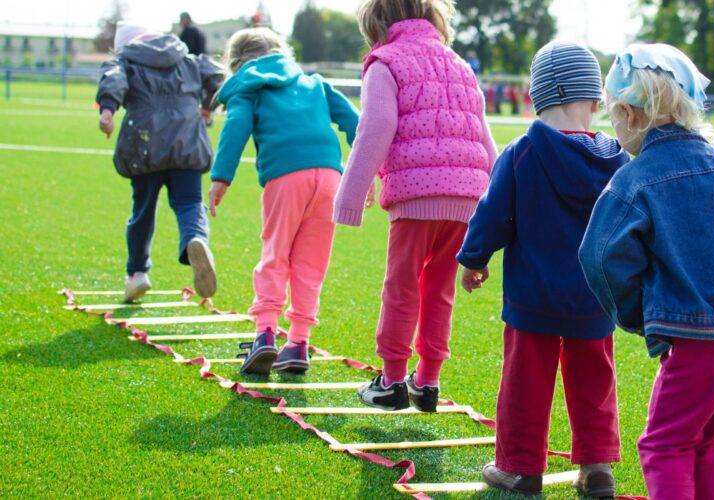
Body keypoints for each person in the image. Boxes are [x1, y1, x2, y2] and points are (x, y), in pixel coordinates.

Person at [579, 43, 714, 500]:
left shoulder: (634, 180)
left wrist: (642, 319)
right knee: (708, 434)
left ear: (629, 113)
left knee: (665, 444)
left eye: (613, 117)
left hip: (705, 346)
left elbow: (598, 257)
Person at [457, 41, 629, 497]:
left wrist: (474, 259)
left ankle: (520, 467)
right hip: (596, 297)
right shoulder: (619, 159)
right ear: (595, 101)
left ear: (534, 97)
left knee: (525, 383)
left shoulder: (521, 153)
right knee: (595, 381)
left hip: (532, 297)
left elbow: (492, 214)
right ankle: (597, 468)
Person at [334, 0, 498, 412]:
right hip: (467, 197)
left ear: (377, 26)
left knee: (401, 286)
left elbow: (376, 126)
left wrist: (350, 196)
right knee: (439, 290)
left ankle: (391, 381)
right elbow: (483, 135)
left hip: (415, 195)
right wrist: (496, 205)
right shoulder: (460, 65)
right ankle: (427, 381)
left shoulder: (384, 62)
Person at [208, 27, 359, 375]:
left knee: (275, 253)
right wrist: (366, 172)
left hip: (286, 176)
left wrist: (221, 178)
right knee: (311, 263)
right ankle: (298, 343)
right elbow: (356, 123)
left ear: (236, 63)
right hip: (330, 178)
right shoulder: (315, 83)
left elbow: (236, 127)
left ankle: (265, 335)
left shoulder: (249, 87)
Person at [96, 22, 224, 302]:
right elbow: (216, 76)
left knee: (143, 209)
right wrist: (207, 106)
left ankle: (137, 274)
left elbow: (113, 78)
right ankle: (195, 239)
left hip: (145, 143)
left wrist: (107, 109)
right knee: (190, 202)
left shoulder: (126, 60)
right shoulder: (185, 57)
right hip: (188, 140)